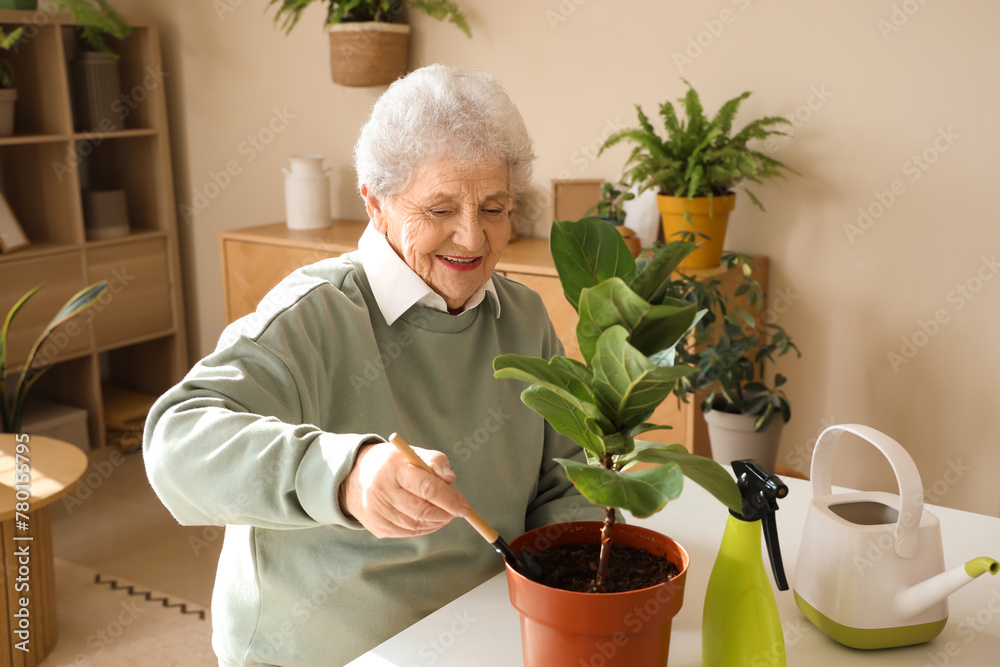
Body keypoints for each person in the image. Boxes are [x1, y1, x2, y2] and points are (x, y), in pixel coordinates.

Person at [143, 64, 601, 667]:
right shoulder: (315, 315)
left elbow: (565, 479)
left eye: (494, 207)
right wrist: (344, 475)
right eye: (439, 209)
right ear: (375, 203)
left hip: (491, 628)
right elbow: (174, 442)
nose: (472, 237)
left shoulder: (522, 315)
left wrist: (568, 579)